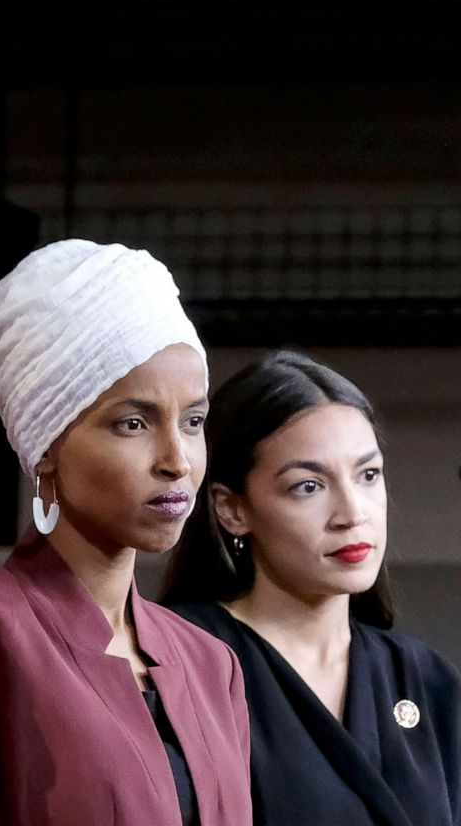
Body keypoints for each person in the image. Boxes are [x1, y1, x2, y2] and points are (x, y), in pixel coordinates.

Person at [0, 239, 252, 826]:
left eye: (192, 421)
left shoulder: (211, 664)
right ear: (46, 448)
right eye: (133, 423)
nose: (177, 460)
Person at [162, 349, 461, 826]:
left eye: (368, 475)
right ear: (232, 509)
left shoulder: (426, 679)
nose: (351, 513)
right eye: (308, 486)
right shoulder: (182, 660)